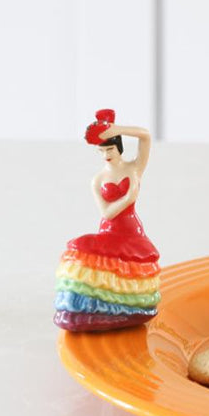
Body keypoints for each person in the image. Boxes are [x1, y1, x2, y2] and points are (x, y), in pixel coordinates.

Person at [53, 110, 161, 332]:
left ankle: (131, 306)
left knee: (131, 263)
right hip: (110, 228)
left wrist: (118, 130)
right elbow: (107, 213)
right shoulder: (98, 179)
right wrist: (129, 197)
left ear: (119, 147)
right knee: (88, 253)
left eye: (110, 149)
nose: (106, 154)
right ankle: (95, 308)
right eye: (101, 151)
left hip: (132, 229)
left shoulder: (134, 168)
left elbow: (146, 137)